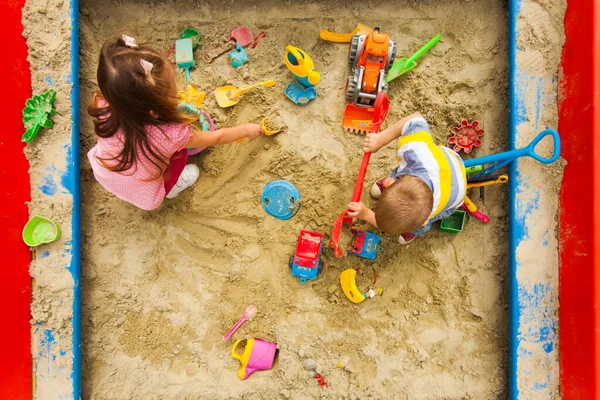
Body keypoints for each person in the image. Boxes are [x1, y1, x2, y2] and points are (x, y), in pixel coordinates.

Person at [87, 35, 261, 210]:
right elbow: (217, 137)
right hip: (145, 191)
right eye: (172, 94)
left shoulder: (103, 104)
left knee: (156, 157)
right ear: (153, 111)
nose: (177, 96)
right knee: (181, 153)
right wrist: (247, 129)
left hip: (107, 173)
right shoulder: (172, 135)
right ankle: (172, 188)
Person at [347, 112, 467, 243]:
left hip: (453, 197)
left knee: (416, 224)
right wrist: (380, 139)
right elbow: (415, 118)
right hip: (446, 161)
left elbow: (395, 221)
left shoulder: (427, 213)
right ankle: (395, 193)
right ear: (389, 182)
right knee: (401, 174)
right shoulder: (415, 152)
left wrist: (365, 214)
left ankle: (413, 230)